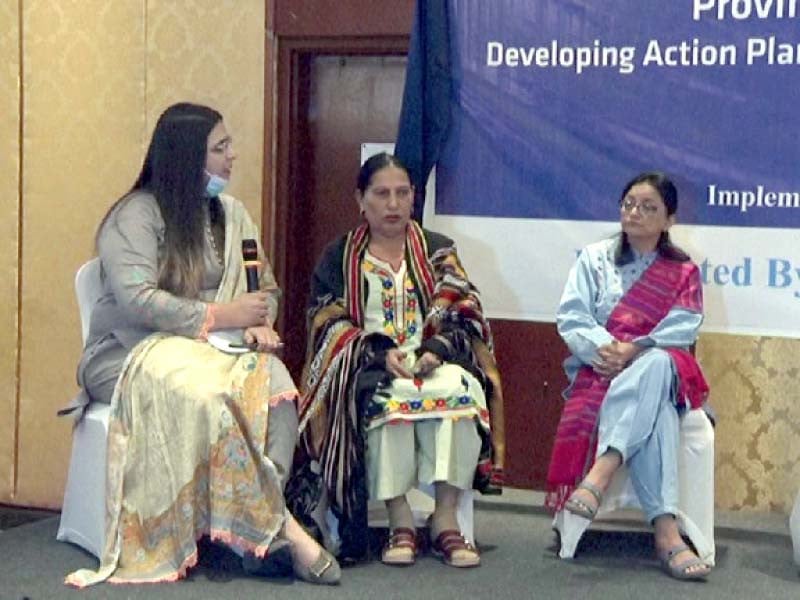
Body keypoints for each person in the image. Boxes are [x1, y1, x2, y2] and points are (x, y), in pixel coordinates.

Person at [65, 102, 339, 587]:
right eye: (221, 147)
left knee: (274, 384)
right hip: (129, 353)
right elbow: (137, 302)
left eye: (229, 144)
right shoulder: (135, 216)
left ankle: (246, 527)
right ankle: (283, 530)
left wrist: (257, 322)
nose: (233, 155)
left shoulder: (230, 215)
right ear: (186, 158)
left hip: (214, 352)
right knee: (210, 399)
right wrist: (222, 316)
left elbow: (264, 290)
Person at [287, 152, 505, 568]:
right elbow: (325, 320)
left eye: (402, 193)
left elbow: (466, 309)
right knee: (381, 398)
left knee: (462, 389)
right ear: (360, 200)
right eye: (381, 194)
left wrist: (436, 351)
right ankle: (400, 519)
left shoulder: (438, 250)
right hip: (369, 365)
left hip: (433, 361)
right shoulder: (340, 257)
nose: (393, 204)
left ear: (413, 198)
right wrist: (375, 353)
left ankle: (445, 520)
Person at [545, 172, 712, 580]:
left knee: (656, 364)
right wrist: (608, 350)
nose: (635, 213)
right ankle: (668, 535)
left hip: (661, 367)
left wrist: (634, 349)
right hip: (601, 367)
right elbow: (572, 316)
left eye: (648, 207)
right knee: (659, 417)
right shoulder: (595, 258)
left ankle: (601, 470)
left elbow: (684, 326)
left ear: (669, 219)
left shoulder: (683, 270)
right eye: (629, 204)